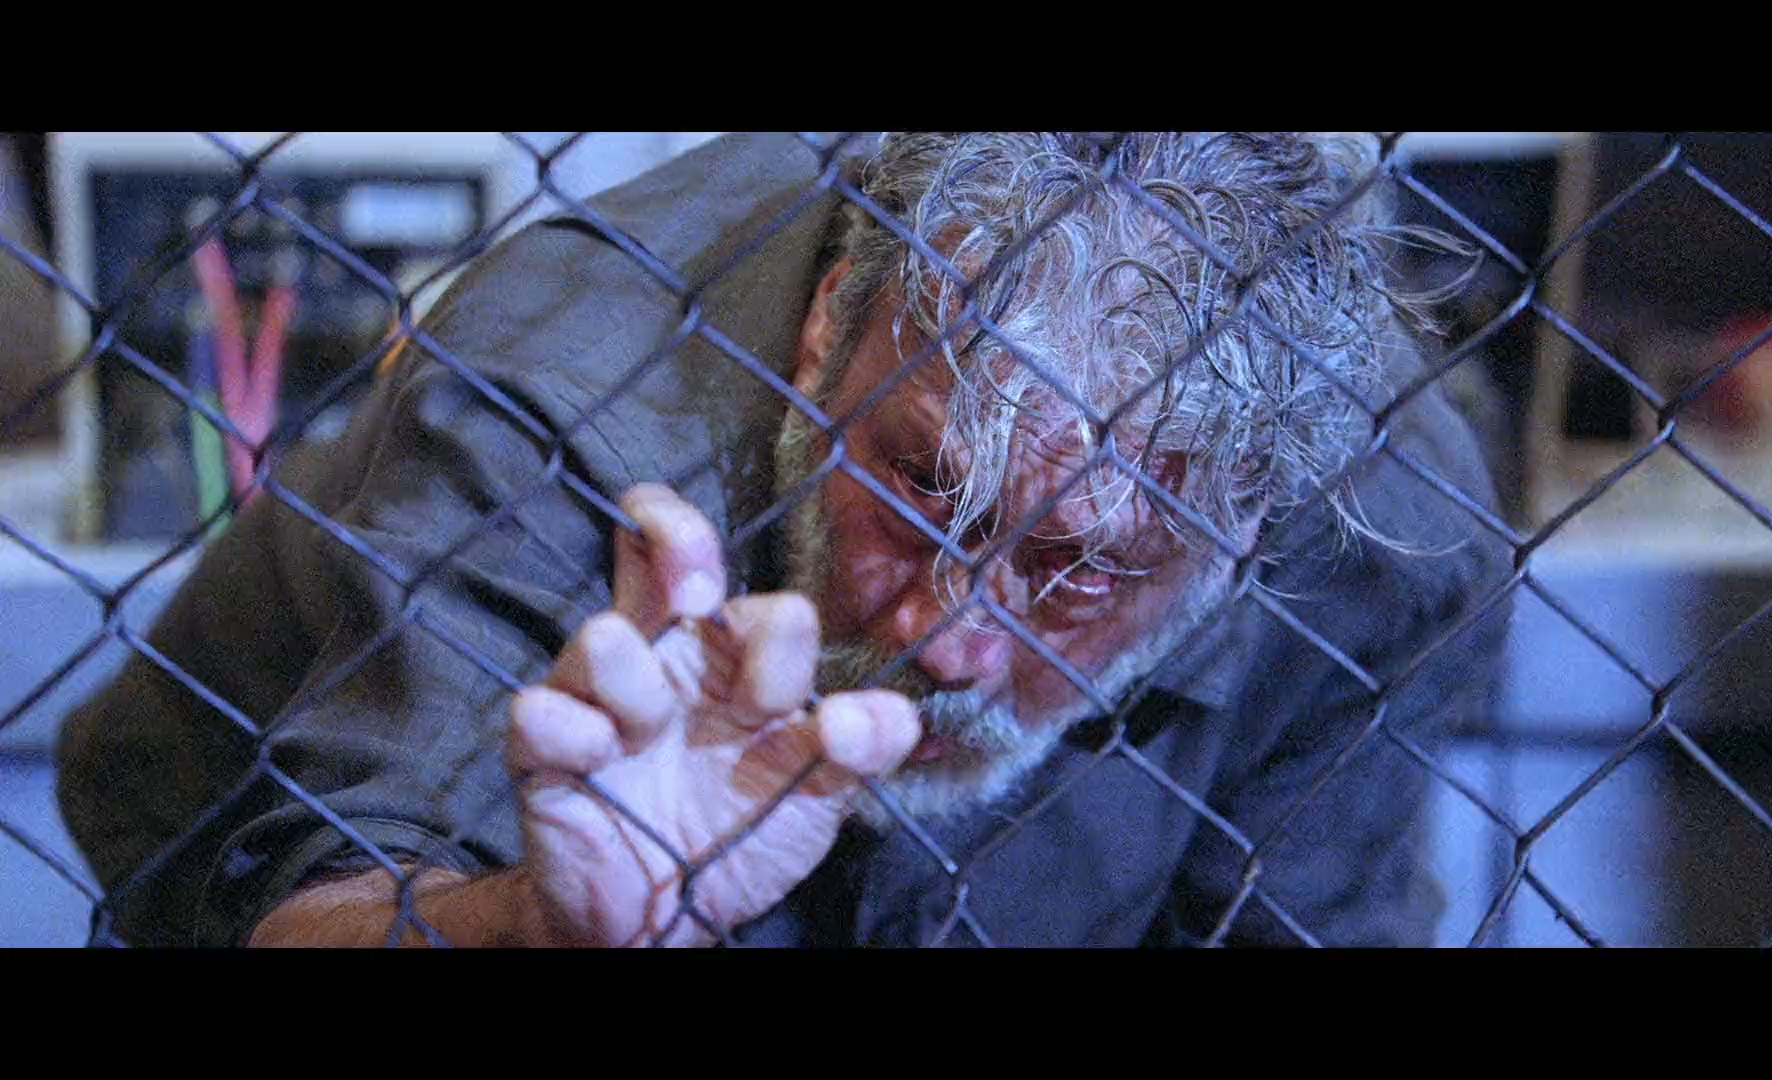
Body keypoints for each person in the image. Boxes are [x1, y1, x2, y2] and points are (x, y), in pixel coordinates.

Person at [56, 132, 1509, 948]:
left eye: (1084, 565)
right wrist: (547, 928)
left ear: (1251, 526)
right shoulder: (559, 405)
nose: (950, 637)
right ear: (827, 330)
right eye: (922, 484)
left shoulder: (1395, 539)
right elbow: (313, 913)